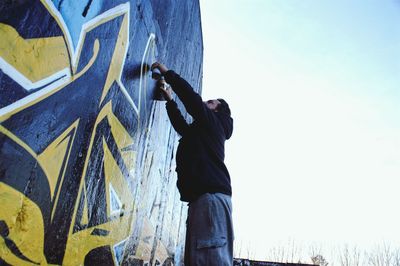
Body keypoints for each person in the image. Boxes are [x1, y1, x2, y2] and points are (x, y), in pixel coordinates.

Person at [151, 62, 234, 266]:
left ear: (218, 111)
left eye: (211, 102)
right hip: (202, 201)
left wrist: (167, 72)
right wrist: (170, 100)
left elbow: (192, 99)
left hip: (211, 201)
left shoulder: (214, 124)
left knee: (209, 261)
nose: (206, 102)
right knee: (198, 260)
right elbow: (182, 127)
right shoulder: (201, 132)